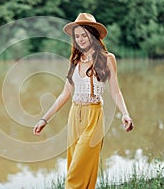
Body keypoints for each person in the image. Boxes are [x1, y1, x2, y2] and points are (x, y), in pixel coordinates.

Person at [33, 13, 134, 189]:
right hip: (74, 116)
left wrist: (125, 114)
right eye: (77, 36)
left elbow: (115, 91)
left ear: (93, 35)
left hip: (94, 116)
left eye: (84, 35)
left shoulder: (107, 58)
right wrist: (45, 119)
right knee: (76, 165)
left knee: (76, 171)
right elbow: (65, 93)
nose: (80, 39)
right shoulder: (75, 60)